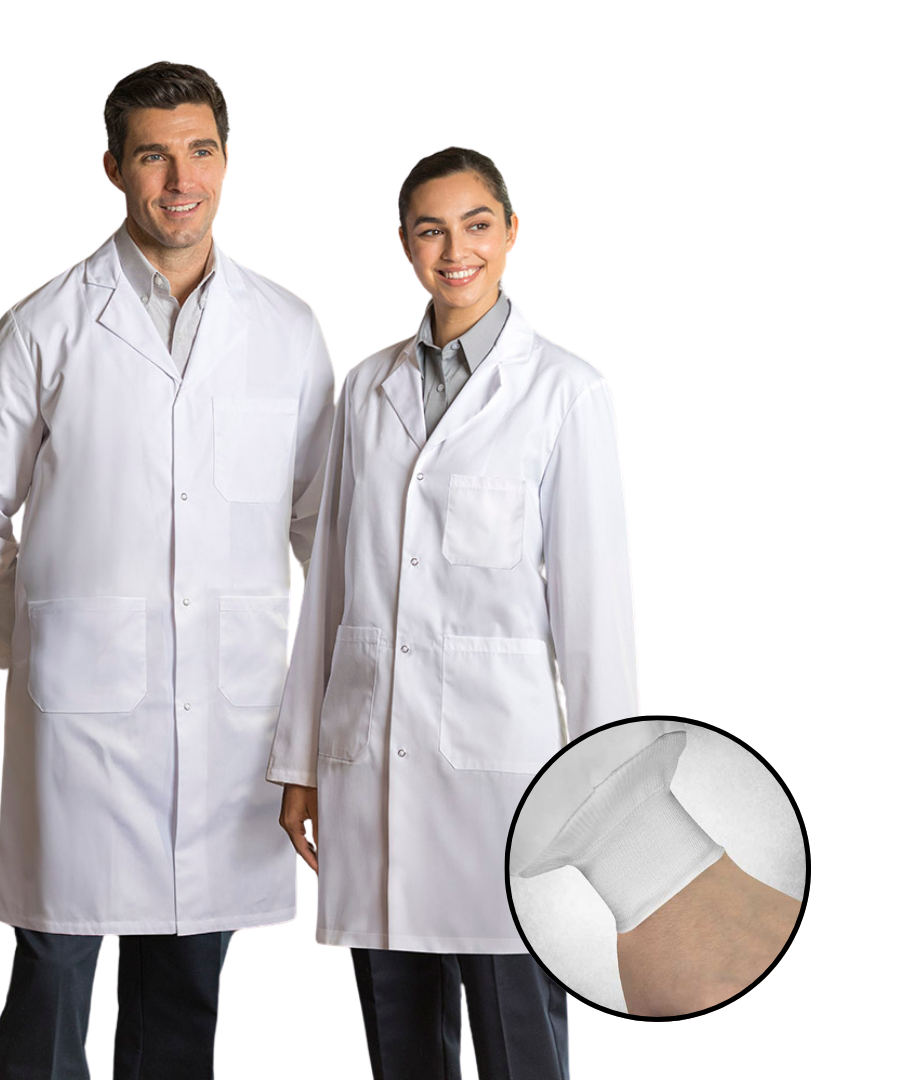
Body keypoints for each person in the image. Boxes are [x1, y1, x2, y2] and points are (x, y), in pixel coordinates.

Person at [0, 62, 334, 1079]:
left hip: (231, 722)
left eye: (200, 152)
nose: (181, 180)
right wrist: (48, 646)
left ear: (227, 160)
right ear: (114, 168)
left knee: (183, 995)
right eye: (154, 156)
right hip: (82, 731)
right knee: (54, 977)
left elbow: (323, 528)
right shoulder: (46, 326)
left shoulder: (286, 330)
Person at [267, 147, 637, 1079]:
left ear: (511, 232)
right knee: (401, 1050)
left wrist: (609, 795)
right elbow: (332, 589)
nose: (455, 250)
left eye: (476, 225)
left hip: (504, 788)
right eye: (431, 230)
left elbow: (595, 616)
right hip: (374, 772)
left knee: (521, 1047)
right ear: (405, 244)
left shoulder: (563, 392)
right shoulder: (366, 388)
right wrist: (303, 762)